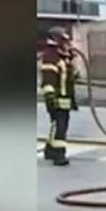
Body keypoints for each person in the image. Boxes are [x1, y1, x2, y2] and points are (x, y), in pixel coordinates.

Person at [39, 27, 78, 166]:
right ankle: (59, 154)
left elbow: (71, 77)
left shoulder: (64, 57)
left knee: (59, 124)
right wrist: (50, 98)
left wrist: (73, 61)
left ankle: (50, 150)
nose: (67, 43)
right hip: (56, 97)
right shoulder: (50, 56)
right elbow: (48, 79)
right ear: (57, 40)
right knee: (59, 125)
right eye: (65, 40)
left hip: (65, 98)